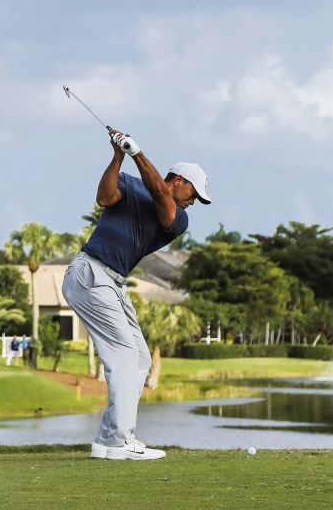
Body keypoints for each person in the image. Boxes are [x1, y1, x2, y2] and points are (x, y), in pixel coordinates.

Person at [62, 128, 211, 461]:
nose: (193, 202)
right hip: (91, 273)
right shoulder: (130, 184)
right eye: (193, 194)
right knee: (125, 355)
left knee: (140, 357)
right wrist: (118, 155)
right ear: (179, 181)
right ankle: (116, 440)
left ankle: (110, 439)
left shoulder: (178, 218)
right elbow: (104, 197)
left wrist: (137, 152)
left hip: (111, 282)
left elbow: (160, 196)